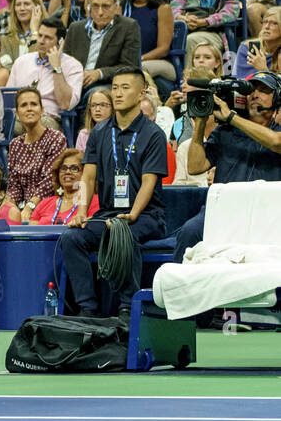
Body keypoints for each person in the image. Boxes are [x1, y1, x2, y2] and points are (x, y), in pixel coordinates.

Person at [61, 67, 169, 315]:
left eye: (125, 88)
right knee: (71, 238)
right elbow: (88, 176)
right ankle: (88, 309)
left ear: (142, 93)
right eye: (115, 88)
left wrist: (132, 214)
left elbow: (149, 182)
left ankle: (126, 310)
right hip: (108, 212)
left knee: (123, 233)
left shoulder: (153, 134)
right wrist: (82, 212)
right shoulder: (99, 132)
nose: (118, 94)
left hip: (147, 216)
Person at [179, 71, 281, 259]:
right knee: (189, 230)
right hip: (224, 208)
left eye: (264, 90)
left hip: (267, 212)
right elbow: (195, 166)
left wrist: (231, 117)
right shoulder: (226, 131)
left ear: (277, 98)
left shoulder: (277, 132)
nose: (255, 94)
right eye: (251, 90)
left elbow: (276, 143)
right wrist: (201, 121)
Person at [62, 0, 143, 95]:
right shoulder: (75, 28)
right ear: (89, 7)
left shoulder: (128, 26)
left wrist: (99, 73)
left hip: (106, 83)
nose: (100, 12)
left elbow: (129, 66)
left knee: (94, 94)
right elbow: (65, 61)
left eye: (106, 6)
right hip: (75, 81)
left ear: (116, 7)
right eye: (95, 6)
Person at [6, 86, 68, 212]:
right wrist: (9, 207)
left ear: (42, 110)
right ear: (17, 113)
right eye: (23, 105)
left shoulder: (56, 138)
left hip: (50, 205)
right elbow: (14, 185)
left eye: (33, 104)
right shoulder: (15, 144)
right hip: (23, 208)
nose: (29, 109)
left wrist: (30, 207)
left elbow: (50, 181)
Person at [29, 148, 99, 224]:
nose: (68, 172)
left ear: (85, 174)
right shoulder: (44, 203)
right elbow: (32, 231)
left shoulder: (95, 201)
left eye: (74, 168)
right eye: (64, 168)